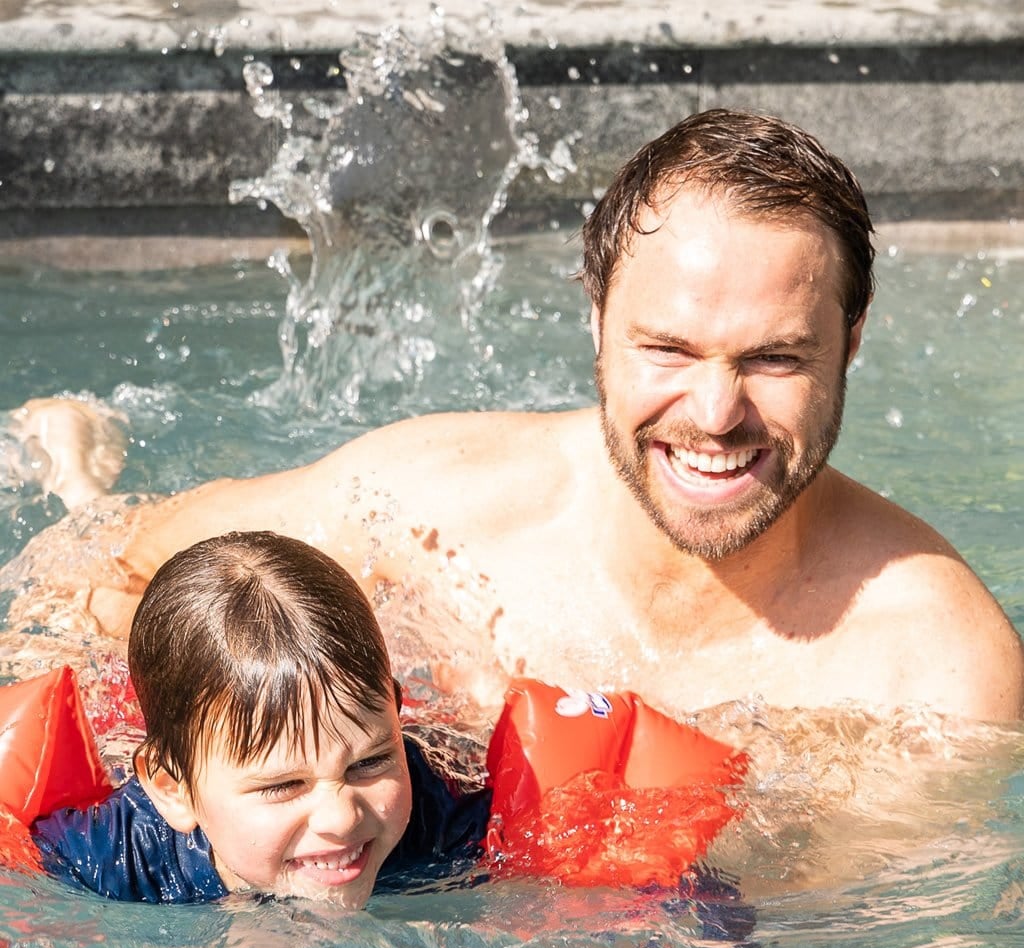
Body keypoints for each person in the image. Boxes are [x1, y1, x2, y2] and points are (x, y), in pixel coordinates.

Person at [10, 108, 1023, 722]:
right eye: (665, 349)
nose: (715, 413)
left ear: (849, 340)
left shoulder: (936, 670)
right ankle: (76, 460)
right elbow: (91, 579)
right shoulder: (425, 506)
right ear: (596, 320)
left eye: (774, 357)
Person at [31, 530, 489, 904]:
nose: (342, 818)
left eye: (369, 762)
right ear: (173, 789)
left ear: (395, 715)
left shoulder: (448, 818)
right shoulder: (111, 858)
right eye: (283, 786)